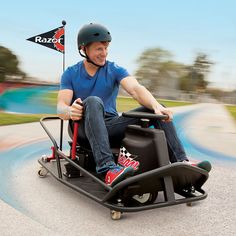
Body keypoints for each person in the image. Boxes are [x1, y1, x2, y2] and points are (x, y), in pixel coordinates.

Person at [57, 23, 211, 187]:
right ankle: (108, 169)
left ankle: (181, 162)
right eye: (99, 49)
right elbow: (61, 107)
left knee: (154, 109)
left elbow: (136, 89)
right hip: (82, 129)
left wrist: (155, 105)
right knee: (94, 101)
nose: (104, 53)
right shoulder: (71, 73)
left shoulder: (114, 69)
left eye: (106, 47)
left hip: (110, 125)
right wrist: (70, 111)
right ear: (84, 49)